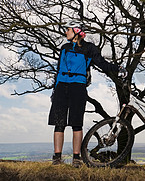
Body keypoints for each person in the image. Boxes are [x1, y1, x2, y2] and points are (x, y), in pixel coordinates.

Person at [48, 20, 125, 167]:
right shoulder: (64, 48)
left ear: (77, 31)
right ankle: (57, 157)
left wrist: (118, 68)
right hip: (61, 88)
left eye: (68, 29)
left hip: (78, 87)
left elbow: (102, 64)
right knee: (59, 123)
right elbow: (58, 70)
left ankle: (76, 158)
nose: (66, 32)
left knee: (76, 124)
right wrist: (54, 90)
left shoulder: (90, 49)